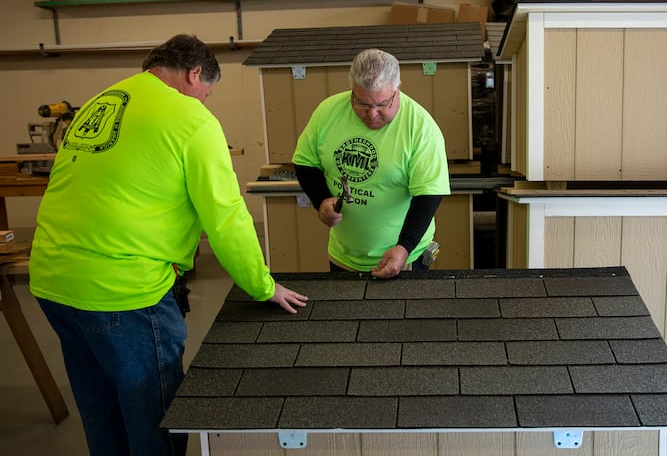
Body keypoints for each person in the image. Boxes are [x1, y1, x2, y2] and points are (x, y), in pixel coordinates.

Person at [28, 34, 307, 456]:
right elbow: (226, 216)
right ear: (195, 74)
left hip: (53, 281)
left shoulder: (103, 102)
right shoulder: (191, 120)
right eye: (206, 93)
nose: (205, 103)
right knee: (152, 419)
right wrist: (263, 285)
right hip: (122, 291)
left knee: (100, 408)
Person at [292, 48, 450, 278]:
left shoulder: (421, 128)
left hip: (406, 256)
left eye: (382, 104)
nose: (372, 114)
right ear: (352, 91)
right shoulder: (327, 113)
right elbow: (305, 162)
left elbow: (429, 195)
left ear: (397, 89)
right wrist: (321, 200)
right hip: (343, 255)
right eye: (362, 104)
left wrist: (404, 247)